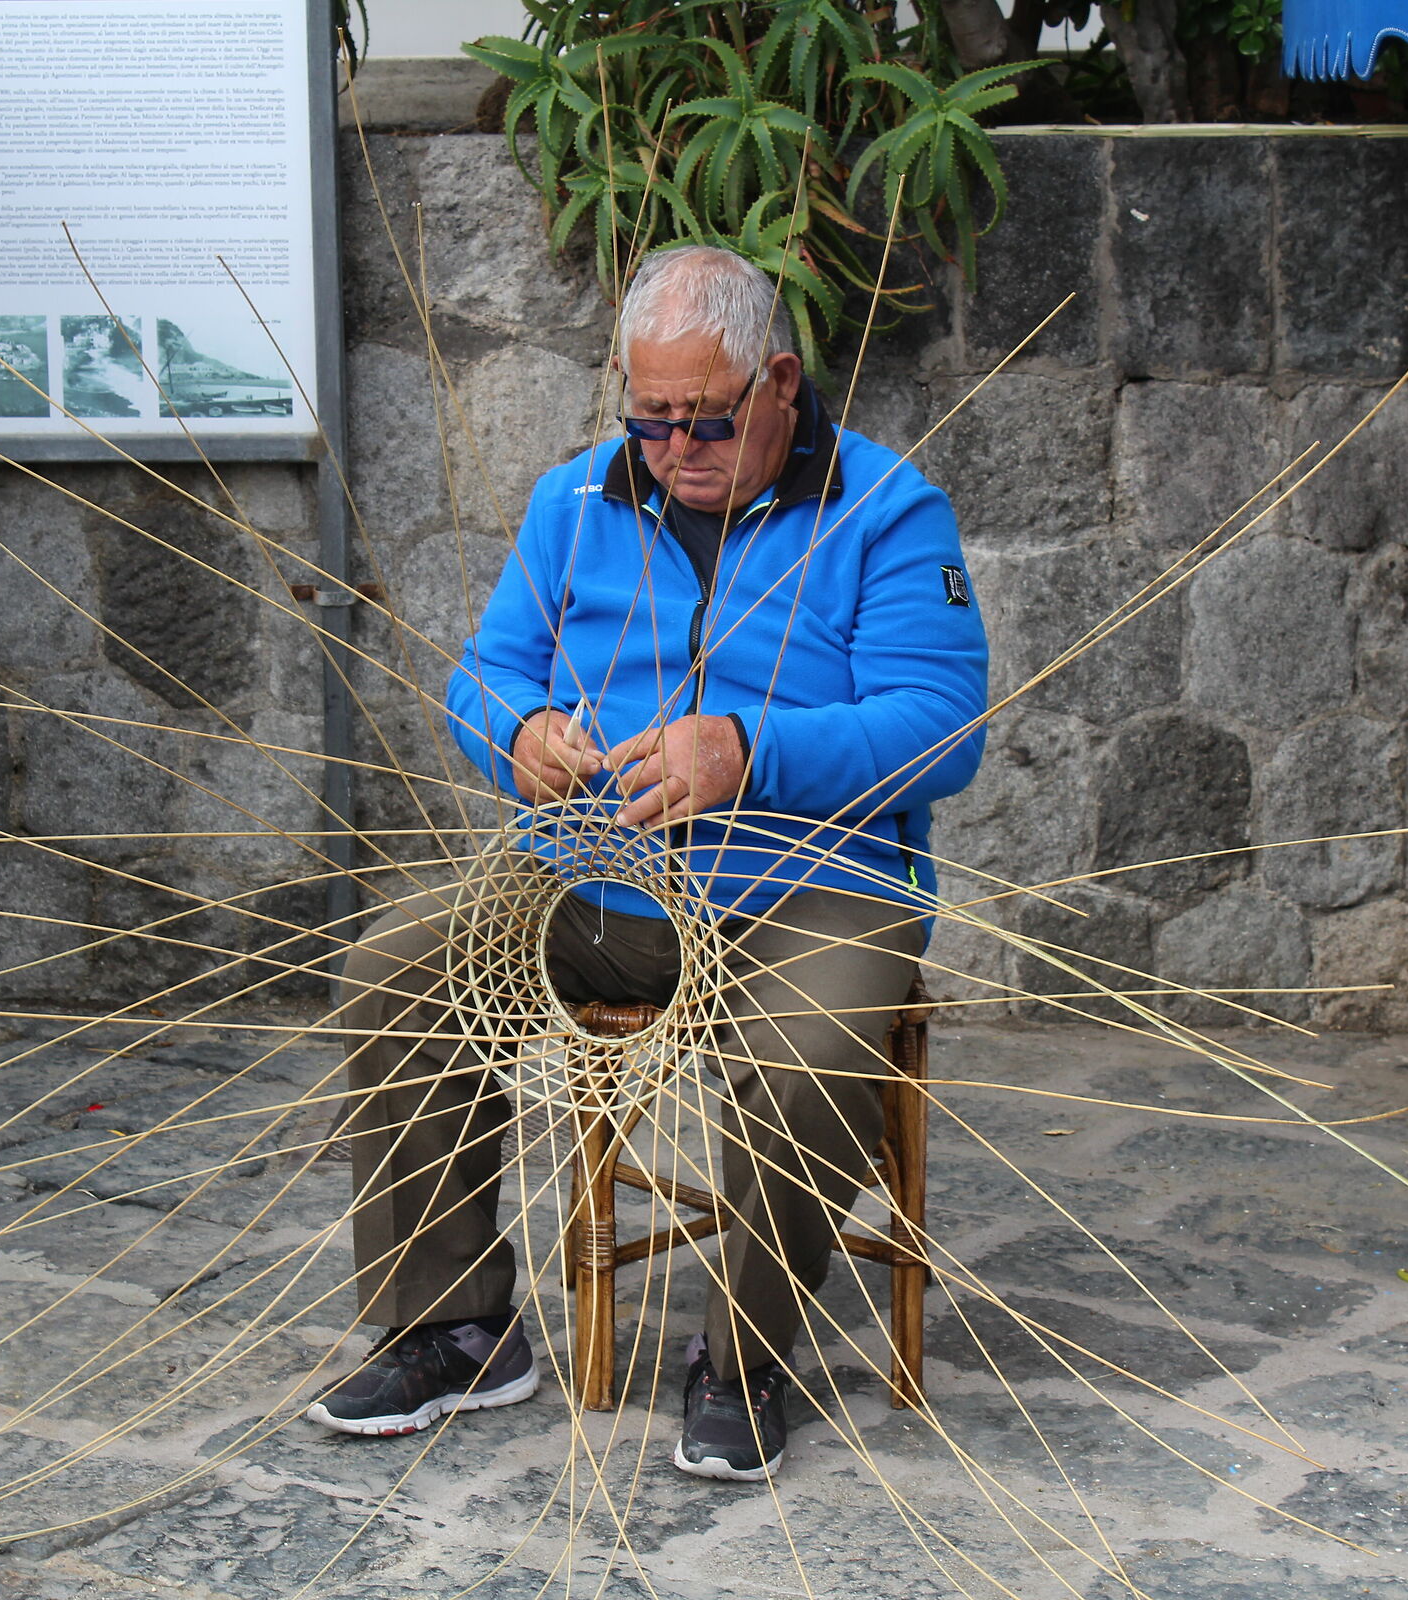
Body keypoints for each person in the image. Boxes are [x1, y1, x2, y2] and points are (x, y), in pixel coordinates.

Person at [306, 245, 988, 1481]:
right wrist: (516, 732)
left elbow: (944, 730)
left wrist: (750, 748)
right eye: (652, 419)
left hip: (810, 884)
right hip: (596, 875)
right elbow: (483, 671)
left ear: (780, 380)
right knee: (396, 968)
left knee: (813, 1047)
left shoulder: (887, 511)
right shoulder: (577, 502)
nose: (676, 450)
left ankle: (743, 1356)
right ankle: (457, 1323)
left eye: (709, 420)